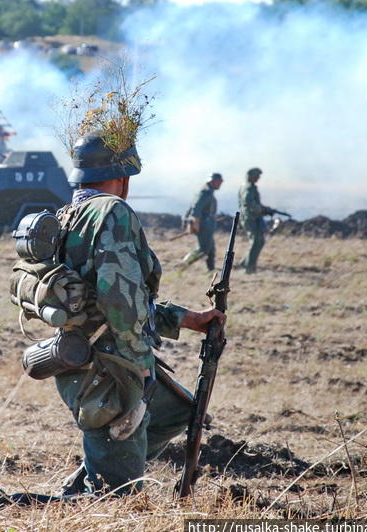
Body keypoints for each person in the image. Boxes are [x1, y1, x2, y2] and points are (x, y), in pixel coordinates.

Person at [53, 131, 225, 496]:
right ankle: (94, 491)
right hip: (113, 367)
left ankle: (95, 477)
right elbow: (120, 299)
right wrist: (138, 366)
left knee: (174, 412)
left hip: (80, 354)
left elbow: (102, 297)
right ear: (122, 178)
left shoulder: (70, 213)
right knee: (119, 496)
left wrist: (184, 318)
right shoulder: (113, 212)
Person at [177, 172, 223, 271]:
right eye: (219, 181)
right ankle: (183, 265)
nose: (220, 184)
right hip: (203, 224)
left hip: (207, 223)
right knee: (203, 249)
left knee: (211, 249)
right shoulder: (205, 193)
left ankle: (211, 270)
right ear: (213, 181)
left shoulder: (209, 192)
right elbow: (196, 209)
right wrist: (196, 223)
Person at [238, 167, 274, 274]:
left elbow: (254, 203)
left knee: (259, 241)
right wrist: (261, 210)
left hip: (253, 218)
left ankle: (246, 263)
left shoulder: (248, 187)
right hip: (250, 218)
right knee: (256, 242)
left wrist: (266, 209)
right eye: (256, 176)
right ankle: (249, 267)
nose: (258, 178)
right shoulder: (248, 188)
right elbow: (249, 203)